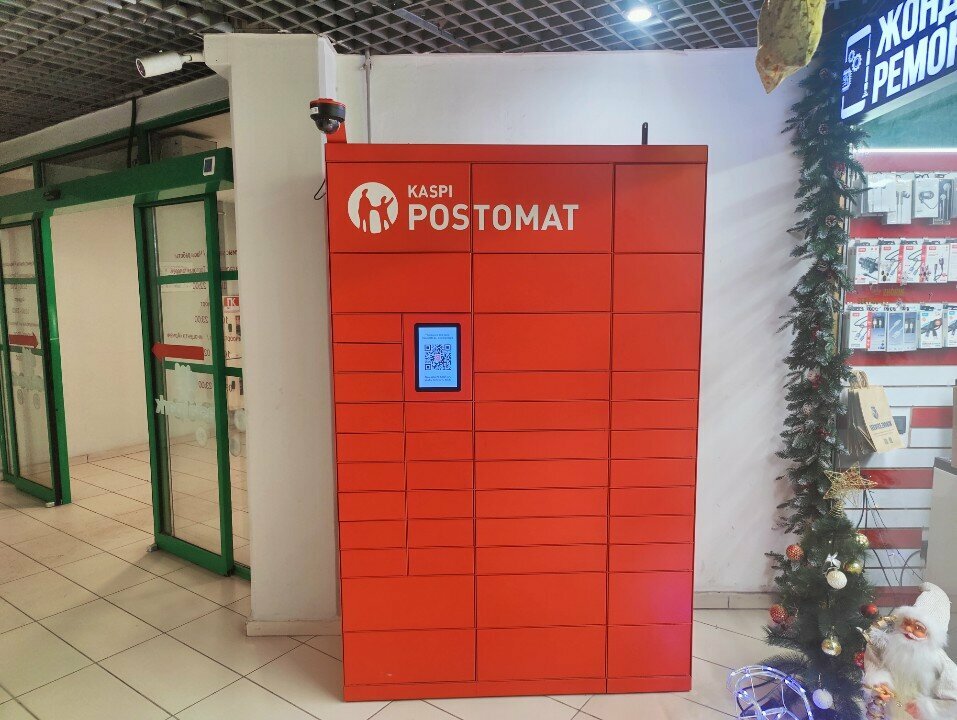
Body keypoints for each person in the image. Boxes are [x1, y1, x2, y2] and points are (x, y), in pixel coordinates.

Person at [864, 582, 957, 719]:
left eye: (918, 627)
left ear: (932, 635)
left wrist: (927, 708)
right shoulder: (889, 646)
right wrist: (880, 684)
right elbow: (873, 659)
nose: (908, 629)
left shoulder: (939, 661)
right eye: (906, 622)